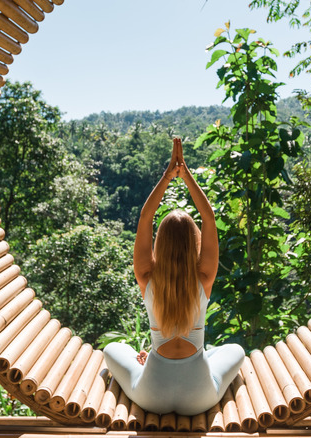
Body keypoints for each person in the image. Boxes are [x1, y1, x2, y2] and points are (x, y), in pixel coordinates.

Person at [103, 138, 245, 416]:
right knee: (236, 350)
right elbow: (209, 217)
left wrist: (168, 176)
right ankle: (203, 353)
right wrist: (186, 174)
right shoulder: (204, 276)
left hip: (150, 395)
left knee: (112, 349)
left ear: (161, 243)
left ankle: (152, 359)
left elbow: (145, 217)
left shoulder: (146, 276)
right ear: (195, 242)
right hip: (200, 397)